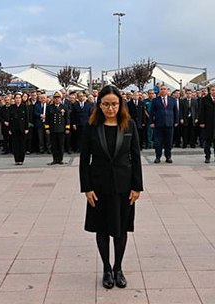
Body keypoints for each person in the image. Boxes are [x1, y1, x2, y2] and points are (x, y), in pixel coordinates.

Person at [79, 85, 143, 289]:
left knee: (121, 229)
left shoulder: (129, 125)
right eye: (106, 104)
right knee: (102, 229)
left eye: (114, 104)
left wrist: (137, 186)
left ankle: (118, 268)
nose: (110, 108)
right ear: (99, 105)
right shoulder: (92, 126)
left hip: (124, 186)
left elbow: (136, 157)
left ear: (120, 104)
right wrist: (86, 188)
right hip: (98, 187)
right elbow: (84, 159)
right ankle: (106, 268)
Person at [149, 84, 179, 163]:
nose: (163, 90)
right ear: (159, 90)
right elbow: (152, 112)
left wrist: (176, 121)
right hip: (158, 124)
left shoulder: (172, 100)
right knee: (158, 142)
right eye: (161, 89)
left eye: (164, 89)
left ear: (167, 90)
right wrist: (151, 122)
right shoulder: (156, 100)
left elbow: (176, 111)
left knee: (168, 142)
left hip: (169, 124)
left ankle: (168, 157)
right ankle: (157, 157)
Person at [45, 91, 70, 165]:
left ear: (61, 98)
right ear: (53, 99)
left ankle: (60, 159)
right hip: (53, 128)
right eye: (55, 98)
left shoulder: (64, 107)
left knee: (61, 145)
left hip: (61, 129)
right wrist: (47, 128)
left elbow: (67, 118)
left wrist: (67, 128)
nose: (57, 99)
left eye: (58, 98)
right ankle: (55, 159)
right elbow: (47, 119)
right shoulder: (50, 107)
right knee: (54, 145)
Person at [8, 92, 29, 165]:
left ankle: (21, 160)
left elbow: (27, 118)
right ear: (14, 99)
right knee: (15, 145)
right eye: (16, 98)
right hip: (14, 128)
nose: (18, 99)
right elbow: (9, 119)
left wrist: (26, 128)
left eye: (19, 98)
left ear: (21, 99)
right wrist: (10, 129)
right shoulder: (12, 107)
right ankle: (16, 159)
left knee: (22, 144)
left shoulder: (24, 106)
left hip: (22, 128)